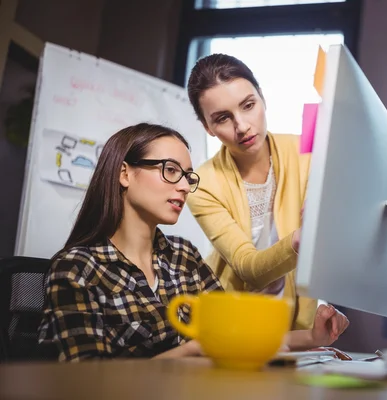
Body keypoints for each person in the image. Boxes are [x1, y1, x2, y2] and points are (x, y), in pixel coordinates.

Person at [38, 123, 349, 362]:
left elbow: (240, 335)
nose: (186, 186)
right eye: (171, 170)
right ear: (124, 174)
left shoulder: (183, 256)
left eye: (188, 176)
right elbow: (85, 379)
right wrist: (186, 356)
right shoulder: (76, 269)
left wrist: (313, 336)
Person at [185, 54, 319, 330]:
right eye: (223, 118)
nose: (242, 126)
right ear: (208, 127)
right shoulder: (202, 184)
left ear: (262, 98)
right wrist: (300, 240)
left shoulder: (305, 154)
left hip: (297, 328)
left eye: (248, 105)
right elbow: (249, 268)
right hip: (232, 324)